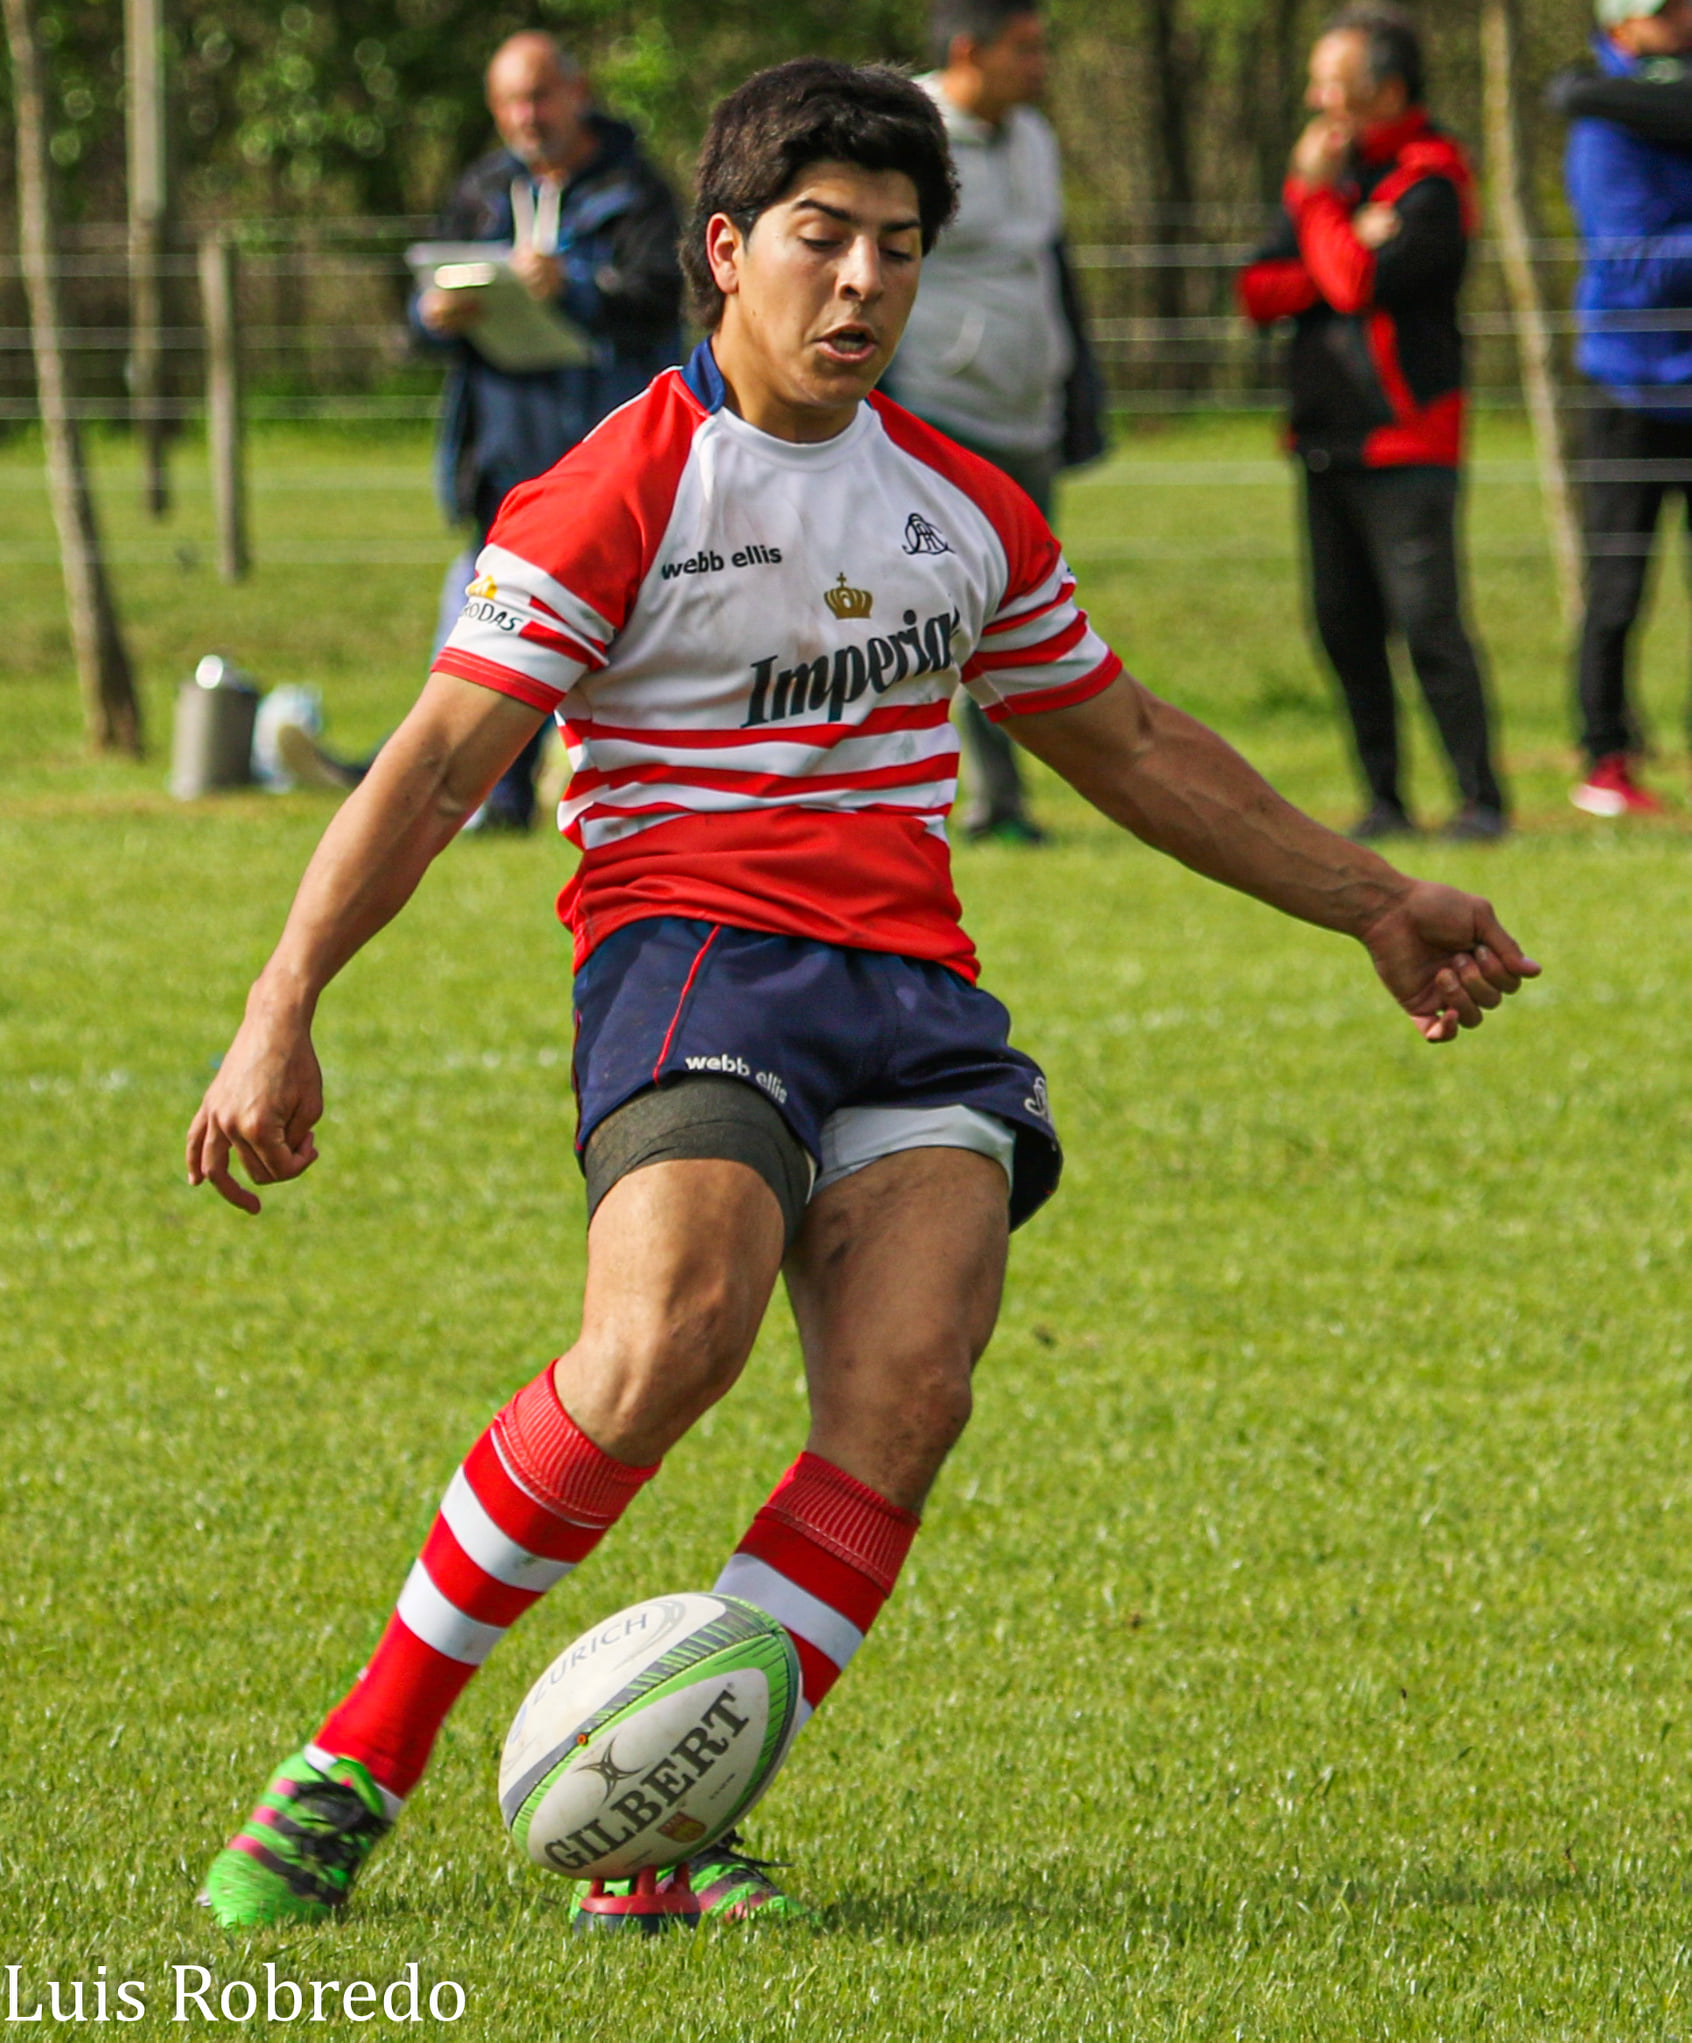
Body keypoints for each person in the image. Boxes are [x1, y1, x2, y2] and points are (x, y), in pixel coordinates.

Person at [187, 58, 1537, 1935]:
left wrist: (1377, 898)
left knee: (904, 1391)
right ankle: (359, 1754)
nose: (861, 286)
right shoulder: (614, 491)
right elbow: (426, 768)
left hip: (909, 995)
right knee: (666, 1341)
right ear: (725, 251)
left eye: (896, 250)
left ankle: (660, 1816)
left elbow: (1133, 746)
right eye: (820, 240)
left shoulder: (962, 507)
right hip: (691, 962)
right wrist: (281, 1004)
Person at [1238, 5, 1509, 843]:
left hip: (1407, 438)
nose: (1318, 99)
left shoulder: (1434, 181)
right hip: (1324, 436)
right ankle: (1384, 799)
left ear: (1387, 90)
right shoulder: (1332, 177)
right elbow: (1258, 293)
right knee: (1344, 627)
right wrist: (1334, 232)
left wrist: (1322, 221)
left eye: (1335, 83)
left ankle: (1480, 800)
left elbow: (1358, 285)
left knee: (1429, 625)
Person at [415, 30, 683, 832]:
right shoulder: (482, 188)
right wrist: (433, 316)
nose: (525, 116)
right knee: (496, 634)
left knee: (635, 638)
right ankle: (488, 800)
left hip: (606, 452)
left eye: (539, 96)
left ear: (579, 90)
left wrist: (574, 288)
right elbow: (420, 301)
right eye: (509, 102)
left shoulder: (637, 190)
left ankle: (646, 798)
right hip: (501, 451)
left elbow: (661, 298)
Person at [880, 0, 1106, 844]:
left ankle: (1013, 793)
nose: (1042, 63)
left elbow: (1048, 267)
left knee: (1021, 610)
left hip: (1029, 414)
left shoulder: (1037, 139)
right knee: (938, 610)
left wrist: (1077, 387)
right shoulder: (910, 139)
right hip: (941, 409)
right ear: (969, 51)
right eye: (1026, 48)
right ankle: (973, 797)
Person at [1553, 0, 1692, 817]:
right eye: (1665, 8)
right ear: (1621, 23)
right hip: (1627, 386)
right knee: (1615, 588)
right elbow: (1632, 259)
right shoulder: (1602, 123)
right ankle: (1606, 761)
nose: (1684, 18)